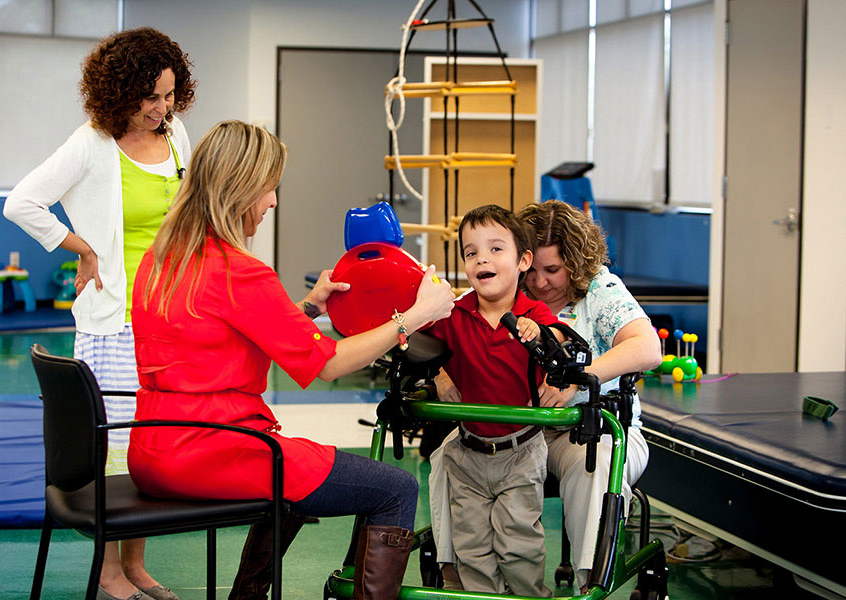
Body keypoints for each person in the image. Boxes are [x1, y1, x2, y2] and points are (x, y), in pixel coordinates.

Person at [127, 120, 455, 600]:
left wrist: (307, 308)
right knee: (395, 488)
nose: (273, 202)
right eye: (268, 188)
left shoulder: (162, 260)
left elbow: (217, 335)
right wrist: (415, 315)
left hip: (154, 448)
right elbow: (329, 364)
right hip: (215, 448)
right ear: (239, 191)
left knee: (301, 473)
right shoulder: (241, 272)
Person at [3, 27, 195, 600]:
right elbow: (22, 202)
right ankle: (109, 571)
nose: (163, 109)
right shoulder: (91, 142)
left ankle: (136, 564)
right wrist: (82, 247)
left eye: (169, 95)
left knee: (151, 444)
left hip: (170, 315)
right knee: (112, 449)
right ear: (119, 92)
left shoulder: (178, 134)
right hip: (115, 320)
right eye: (151, 98)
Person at [432, 200, 662, 593]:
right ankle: (454, 574)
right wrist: (439, 374)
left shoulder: (600, 290)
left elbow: (647, 349)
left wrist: (577, 378)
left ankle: (591, 583)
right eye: (532, 270)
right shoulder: (505, 287)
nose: (539, 282)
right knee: (448, 457)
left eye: (552, 270)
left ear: (576, 262)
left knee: (594, 469)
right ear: (520, 260)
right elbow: (444, 331)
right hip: (521, 428)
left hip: (590, 430)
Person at [423, 205, 562, 597]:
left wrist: (543, 336)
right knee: (473, 552)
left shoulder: (535, 314)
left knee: (518, 548)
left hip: (519, 451)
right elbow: (418, 345)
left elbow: (563, 344)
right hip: (468, 454)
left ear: (523, 261)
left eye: (495, 249)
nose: (482, 258)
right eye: (471, 253)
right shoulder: (454, 314)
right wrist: (439, 373)